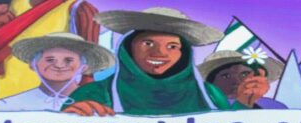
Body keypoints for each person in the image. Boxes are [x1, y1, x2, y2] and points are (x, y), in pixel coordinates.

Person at [63, 7, 227, 115]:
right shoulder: (93, 94)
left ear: (183, 53)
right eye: (148, 43)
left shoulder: (209, 95)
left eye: (172, 46)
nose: (159, 53)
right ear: (128, 47)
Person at [0, 33, 115, 111]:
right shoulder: (7, 107)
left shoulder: (101, 104)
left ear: (83, 67)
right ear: (33, 65)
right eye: (50, 60)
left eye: (68, 60)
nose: (59, 65)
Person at [198, 50, 287, 109]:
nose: (237, 81)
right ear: (211, 84)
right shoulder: (205, 107)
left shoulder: (274, 107)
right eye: (226, 76)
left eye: (245, 74)